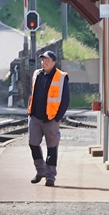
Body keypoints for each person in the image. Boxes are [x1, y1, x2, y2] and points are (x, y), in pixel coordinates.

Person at [28, 49, 69, 187]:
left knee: (52, 148)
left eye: (47, 60)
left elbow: (65, 100)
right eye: (43, 60)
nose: (44, 62)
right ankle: (41, 171)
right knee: (33, 143)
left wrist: (57, 118)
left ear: (54, 62)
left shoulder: (61, 77)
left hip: (51, 119)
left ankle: (50, 177)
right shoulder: (37, 74)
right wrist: (30, 112)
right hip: (35, 117)